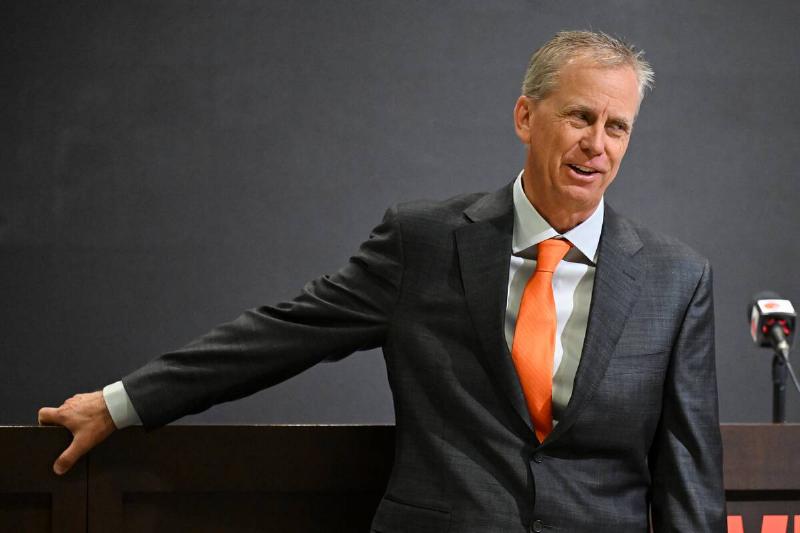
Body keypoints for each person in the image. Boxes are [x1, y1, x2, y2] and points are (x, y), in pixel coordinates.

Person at [38, 30, 725, 531]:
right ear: (525, 116)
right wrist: (122, 402)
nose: (596, 144)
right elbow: (287, 332)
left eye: (617, 127)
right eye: (580, 116)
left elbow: (690, 473)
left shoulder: (675, 279)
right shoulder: (424, 242)